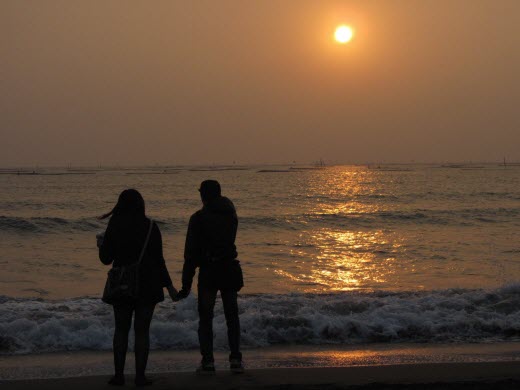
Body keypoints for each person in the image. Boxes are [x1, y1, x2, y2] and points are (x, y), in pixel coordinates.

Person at [97, 189, 178, 386]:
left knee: (121, 330)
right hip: (148, 285)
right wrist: (170, 287)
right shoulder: (150, 226)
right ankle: (140, 376)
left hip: (122, 285)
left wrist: (101, 245)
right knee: (142, 332)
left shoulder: (115, 225)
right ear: (141, 205)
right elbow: (159, 261)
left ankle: (119, 376)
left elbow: (106, 259)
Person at [176, 180, 244, 374]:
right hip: (229, 268)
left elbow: (190, 254)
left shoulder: (198, 218)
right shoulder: (231, 214)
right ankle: (236, 359)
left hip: (209, 272)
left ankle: (208, 361)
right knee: (232, 315)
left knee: (206, 317)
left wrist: (186, 284)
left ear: (203, 195)